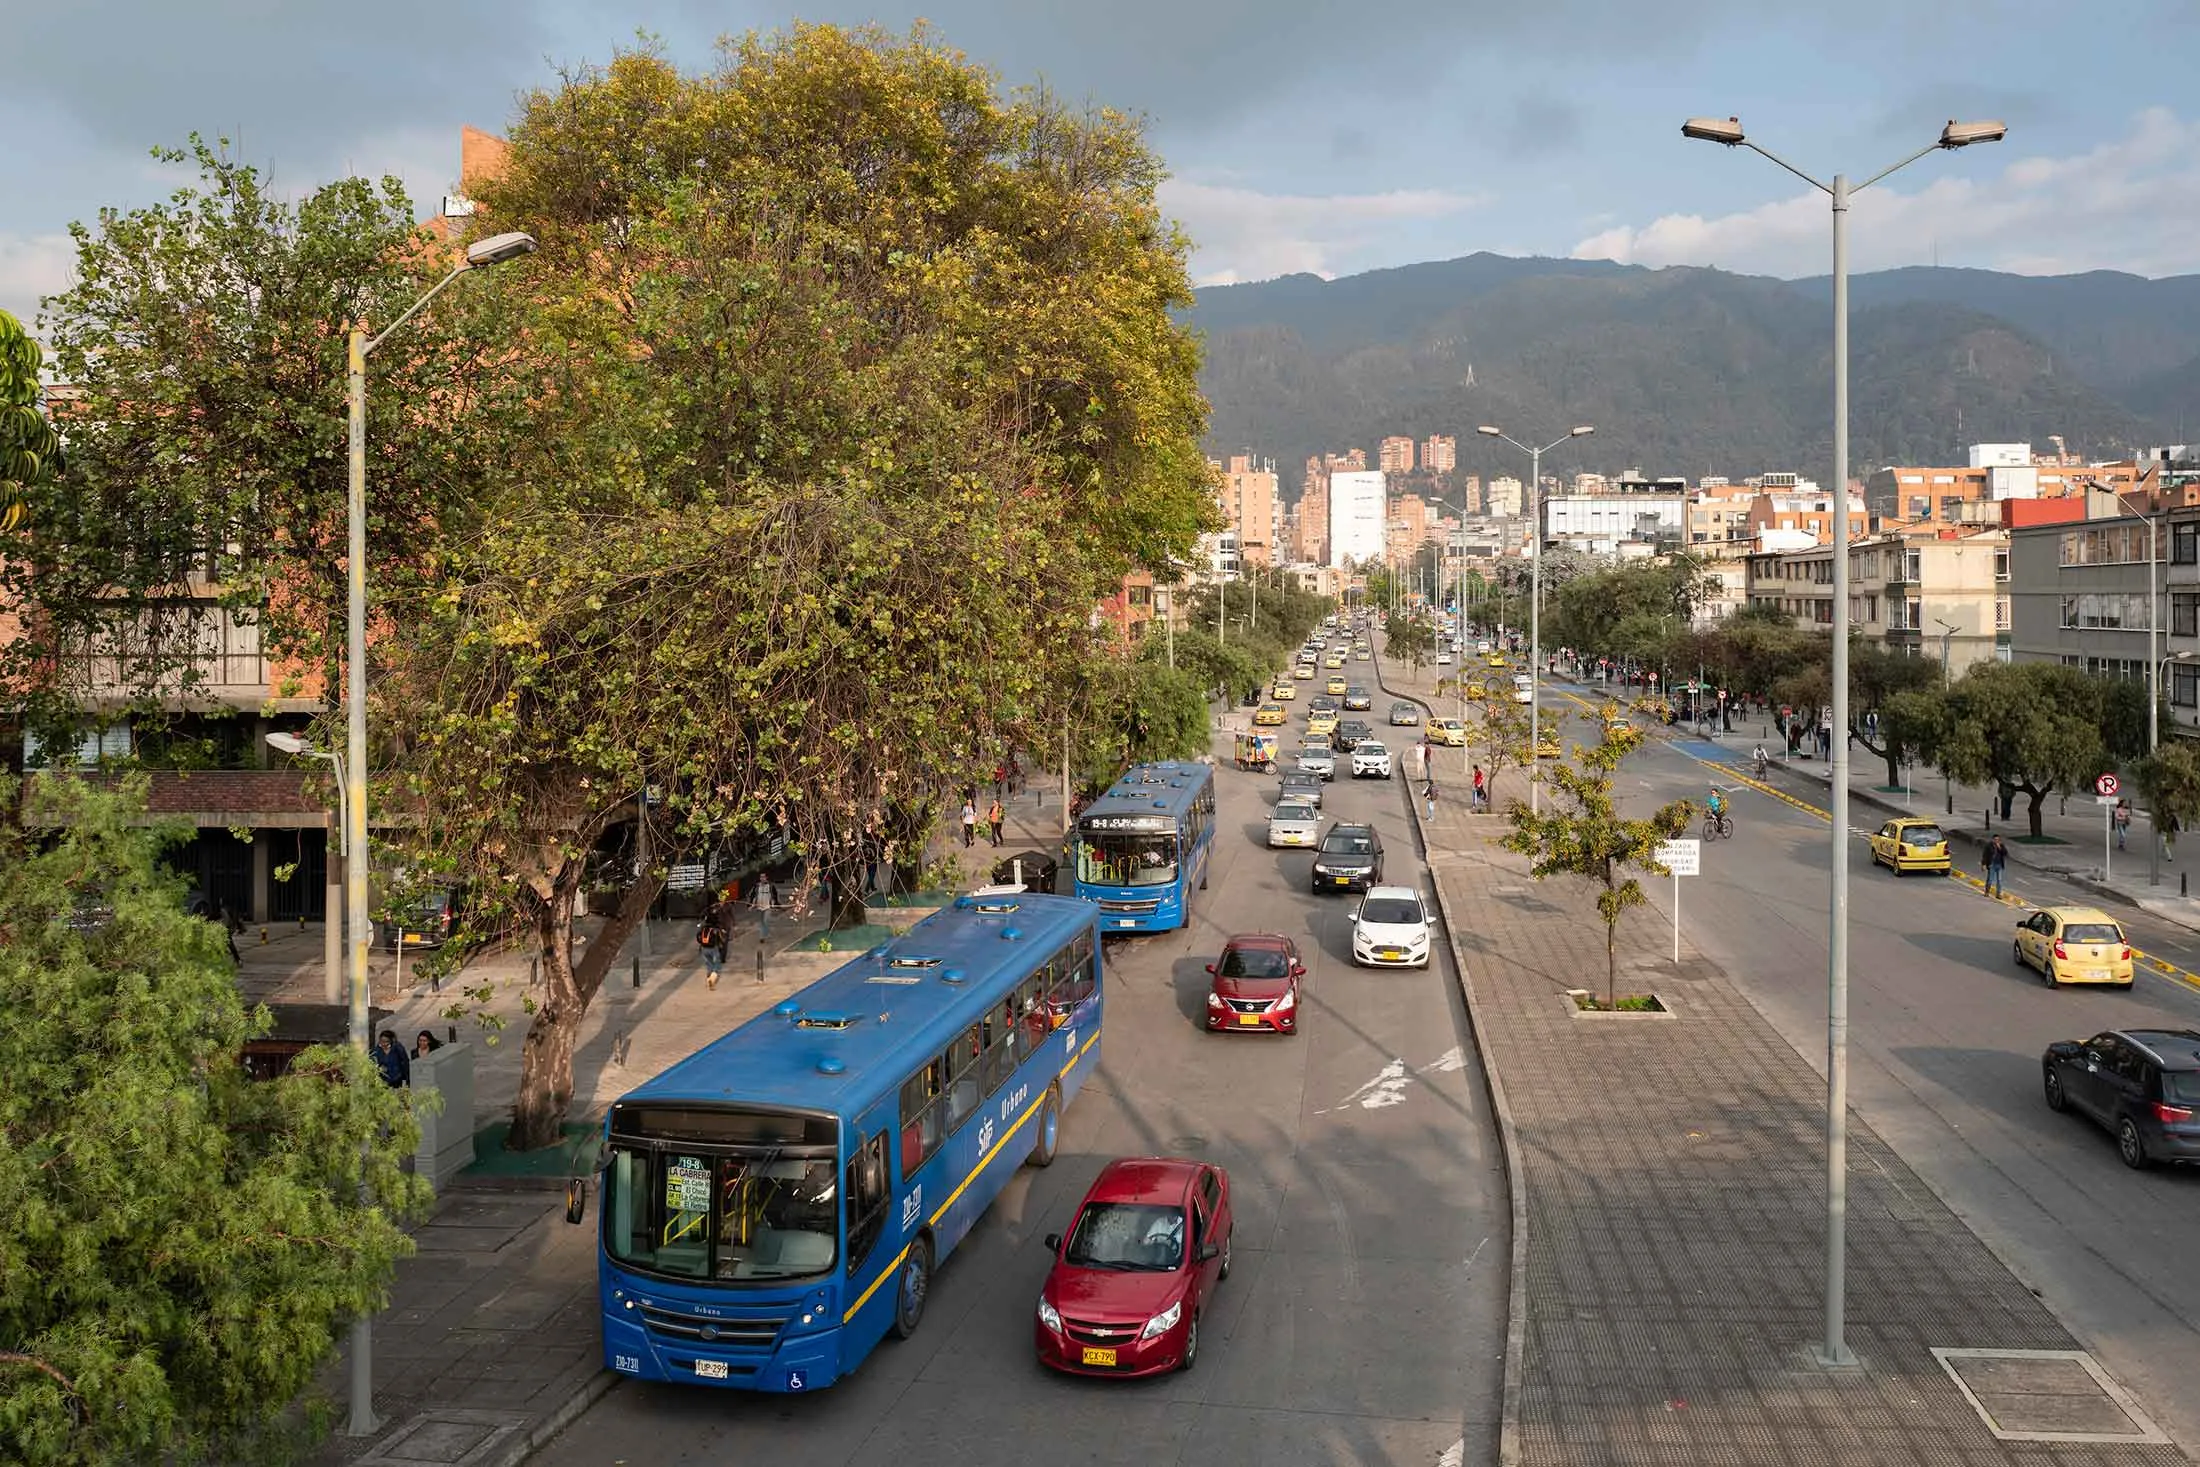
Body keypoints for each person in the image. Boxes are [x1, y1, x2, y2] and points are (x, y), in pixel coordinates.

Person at [696, 901, 730, 990]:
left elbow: (698, 937)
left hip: (704, 948)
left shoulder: (703, 928)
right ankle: (712, 979)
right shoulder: (716, 929)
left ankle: (708, 979)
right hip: (713, 948)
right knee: (717, 964)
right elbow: (721, 940)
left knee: (709, 965)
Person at [1983, 833, 2008, 897]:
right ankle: (1987, 892)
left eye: (1998, 840)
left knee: (1999, 880)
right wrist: (1984, 864)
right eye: (1995, 839)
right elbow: (1985, 855)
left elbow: (2005, 853)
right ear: (1993, 839)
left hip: (1999, 865)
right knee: (1990, 879)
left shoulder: (2001, 845)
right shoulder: (1989, 845)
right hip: (1992, 865)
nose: (1996, 841)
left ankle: (1998, 894)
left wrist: (2000, 848)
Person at [752, 877, 776, 942]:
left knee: (765, 921)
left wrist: (772, 904)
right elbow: (755, 896)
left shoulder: (769, 886)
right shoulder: (757, 886)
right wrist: (753, 905)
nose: (762, 878)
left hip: (767, 907)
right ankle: (762, 937)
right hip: (759, 907)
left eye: (763, 877)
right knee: (761, 922)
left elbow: (772, 896)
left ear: (766, 878)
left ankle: (765, 934)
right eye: (761, 877)